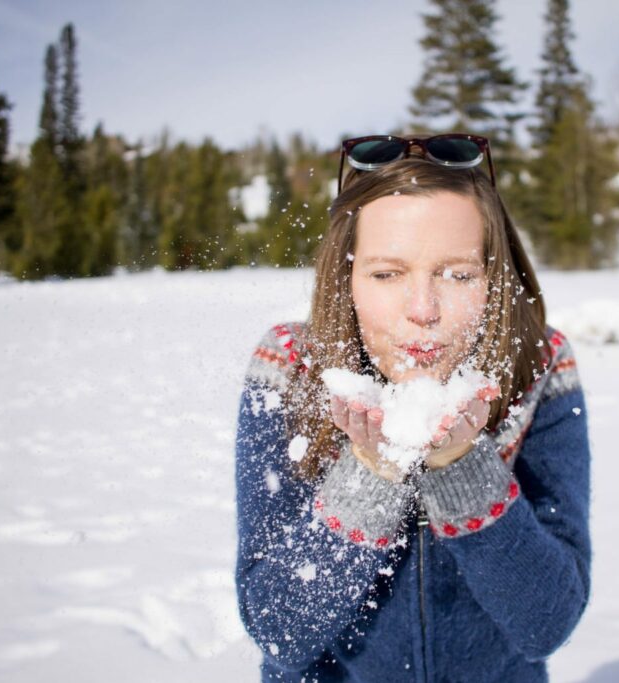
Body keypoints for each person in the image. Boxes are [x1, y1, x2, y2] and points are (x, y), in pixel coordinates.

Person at [234, 134, 592, 682]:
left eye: (458, 274)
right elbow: (280, 629)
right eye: (386, 274)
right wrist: (372, 473)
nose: (423, 310)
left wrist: (462, 465)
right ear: (344, 278)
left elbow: (545, 623)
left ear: (494, 277)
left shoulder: (537, 368)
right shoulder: (289, 369)